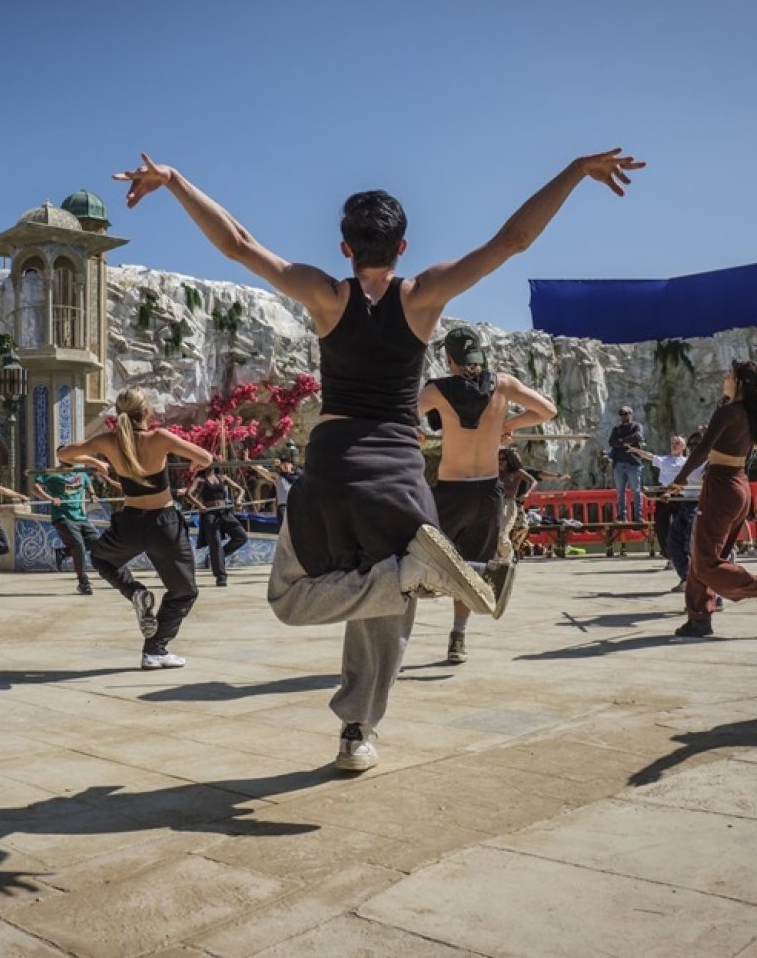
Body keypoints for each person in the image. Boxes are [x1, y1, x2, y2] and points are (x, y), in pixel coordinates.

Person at [114, 146, 643, 771]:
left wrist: (175, 180)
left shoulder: (325, 295)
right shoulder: (423, 296)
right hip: (398, 475)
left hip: (334, 470)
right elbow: (513, 241)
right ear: (403, 246)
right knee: (391, 604)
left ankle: (398, 586)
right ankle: (358, 730)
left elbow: (238, 243)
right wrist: (576, 171)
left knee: (290, 598)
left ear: (345, 249)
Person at [419, 328, 556, 665]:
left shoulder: (437, 391)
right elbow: (547, 410)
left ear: (450, 359)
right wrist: (509, 423)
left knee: (422, 550)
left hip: (452, 488)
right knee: (470, 565)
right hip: (488, 490)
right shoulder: (504, 384)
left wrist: (416, 434)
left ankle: (428, 587)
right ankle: (458, 637)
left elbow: (399, 412)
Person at [58, 387, 213, 668]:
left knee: (101, 558)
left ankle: (136, 593)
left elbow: (66, 454)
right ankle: (155, 649)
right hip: (164, 523)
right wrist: (193, 464)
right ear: (147, 412)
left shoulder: (108, 441)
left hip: (129, 522)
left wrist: (94, 462)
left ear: (119, 414)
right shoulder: (160, 438)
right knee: (184, 591)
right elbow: (206, 458)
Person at [667, 361, 757, 637]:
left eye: (729, 376)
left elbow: (702, 450)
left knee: (706, 561)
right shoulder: (749, 415)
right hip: (738, 485)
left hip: (721, 486)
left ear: (740, 383)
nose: (725, 380)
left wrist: (679, 479)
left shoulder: (728, 412)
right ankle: (699, 618)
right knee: (701, 556)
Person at [32, 462, 103, 595]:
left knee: (96, 542)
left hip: (81, 517)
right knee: (78, 545)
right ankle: (83, 583)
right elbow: (35, 488)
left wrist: (92, 495)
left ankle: (64, 553)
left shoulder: (81, 473)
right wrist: (51, 498)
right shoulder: (53, 474)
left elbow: (88, 484)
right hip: (62, 516)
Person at [185, 465, 248, 586]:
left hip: (225, 511)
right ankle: (221, 576)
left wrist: (239, 500)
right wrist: (200, 506)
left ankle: (219, 556)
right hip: (210, 514)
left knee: (241, 536)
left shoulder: (222, 477)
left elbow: (241, 490)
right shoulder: (200, 479)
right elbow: (188, 494)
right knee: (215, 543)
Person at [629, 435, 687, 564]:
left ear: (683, 447)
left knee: (681, 525)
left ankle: (682, 554)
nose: (674, 445)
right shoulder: (664, 460)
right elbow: (649, 456)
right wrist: (636, 450)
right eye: (673, 443)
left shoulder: (686, 461)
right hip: (663, 493)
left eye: (677, 443)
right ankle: (669, 555)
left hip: (679, 493)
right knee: (661, 525)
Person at [664, 431, 706, 592]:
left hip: (701, 505)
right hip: (686, 504)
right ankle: (686, 577)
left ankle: (707, 589)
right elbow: (679, 481)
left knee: (693, 545)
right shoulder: (689, 462)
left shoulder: (710, 463)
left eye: (697, 444)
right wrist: (669, 493)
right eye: (691, 445)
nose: (693, 447)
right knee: (673, 541)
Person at [498, 447, 538, 562]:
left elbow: (533, 481)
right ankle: (501, 558)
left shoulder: (516, 472)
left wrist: (527, 494)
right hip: (496, 504)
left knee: (503, 534)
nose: (500, 461)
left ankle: (510, 556)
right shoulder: (495, 472)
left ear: (509, 460)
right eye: (498, 459)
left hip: (508, 505)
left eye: (503, 459)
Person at [609, 405, 645, 522]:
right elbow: (611, 442)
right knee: (620, 491)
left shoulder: (637, 426)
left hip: (633, 463)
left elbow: (638, 436)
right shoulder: (616, 429)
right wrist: (626, 442)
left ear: (631, 414)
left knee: (636, 490)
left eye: (626, 413)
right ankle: (622, 516)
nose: (624, 416)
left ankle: (638, 516)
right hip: (619, 463)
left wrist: (621, 442)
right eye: (622, 414)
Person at [252, 455, 302, 529]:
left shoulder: (299, 477)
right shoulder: (277, 477)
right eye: (283, 463)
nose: (285, 465)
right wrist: (249, 461)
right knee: (286, 529)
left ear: (291, 465)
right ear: (280, 466)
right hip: (283, 507)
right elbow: (262, 470)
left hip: (296, 508)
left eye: (287, 463)